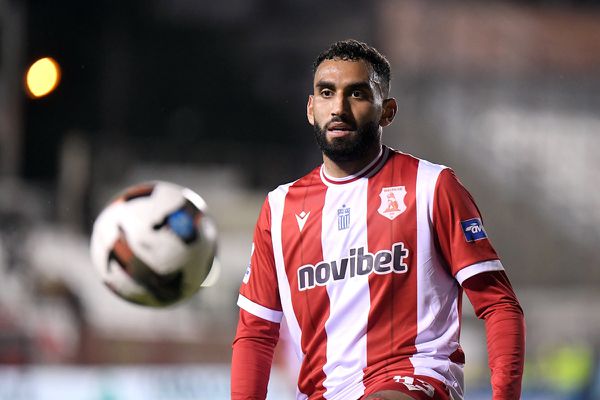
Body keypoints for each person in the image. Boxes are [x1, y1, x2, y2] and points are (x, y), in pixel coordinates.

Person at [231, 39, 525, 400]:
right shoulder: (279, 209)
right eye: (326, 93)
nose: (338, 108)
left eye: (356, 94)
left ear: (387, 111)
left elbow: (498, 304)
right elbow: (256, 332)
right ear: (310, 108)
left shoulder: (431, 186)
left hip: (415, 379)